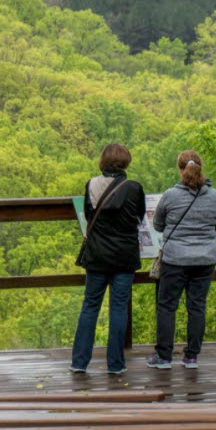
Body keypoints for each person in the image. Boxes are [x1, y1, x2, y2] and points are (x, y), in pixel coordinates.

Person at [70, 143, 146, 375]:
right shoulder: (134, 188)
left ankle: (79, 362)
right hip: (124, 256)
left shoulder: (91, 185)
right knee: (119, 308)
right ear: (126, 162)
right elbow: (140, 217)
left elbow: (89, 214)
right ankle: (115, 364)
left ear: (103, 161)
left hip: (97, 255)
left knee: (90, 306)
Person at [146, 149, 216, 369]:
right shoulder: (215, 196)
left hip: (175, 259)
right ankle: (191, 357)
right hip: (205, 259)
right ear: (200, 168)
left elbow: (158, 225)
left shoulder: (170, 195)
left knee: (167, 307)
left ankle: (164, 357)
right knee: (197, 306)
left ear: (181, 170)